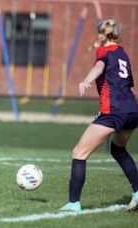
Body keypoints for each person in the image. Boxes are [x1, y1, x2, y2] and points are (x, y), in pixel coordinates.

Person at [59, 19, 138, 213]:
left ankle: (73, 204)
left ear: (101, 33)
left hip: (114, 111)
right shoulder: (123, 54)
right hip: (132, 110)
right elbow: (129, 86)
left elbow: (98, 68)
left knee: (79, 152)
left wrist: (86, 81)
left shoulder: (103, 51)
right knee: (118, 151)